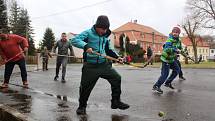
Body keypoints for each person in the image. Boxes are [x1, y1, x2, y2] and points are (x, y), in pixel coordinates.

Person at [70, 15, 130, 115]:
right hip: (90, 66)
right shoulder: (88, 33)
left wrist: (117, 57)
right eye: (102, 29)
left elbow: (109, 49)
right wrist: (86, 46)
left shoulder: (105, 36)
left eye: (106, 29)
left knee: (116, 78)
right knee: (85, 87)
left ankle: (115, 101)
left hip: (103, 64)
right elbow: (74, 40)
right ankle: (82, 106)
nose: (104, 31)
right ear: (97, 26)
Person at [152, 26, 181, 94]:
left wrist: (185, 54)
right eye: (174, 32)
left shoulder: (178, 40)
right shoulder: (169, 40)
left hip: (171, 59)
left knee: (177, 69)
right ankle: (156, 86)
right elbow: (166, 49)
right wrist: (175, 50)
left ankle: (168, 83)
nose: (175, 33)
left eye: (176, 32)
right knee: (165, 74)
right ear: (172, 32)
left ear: (179, 33)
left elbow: (180, 48)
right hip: (166, 59)